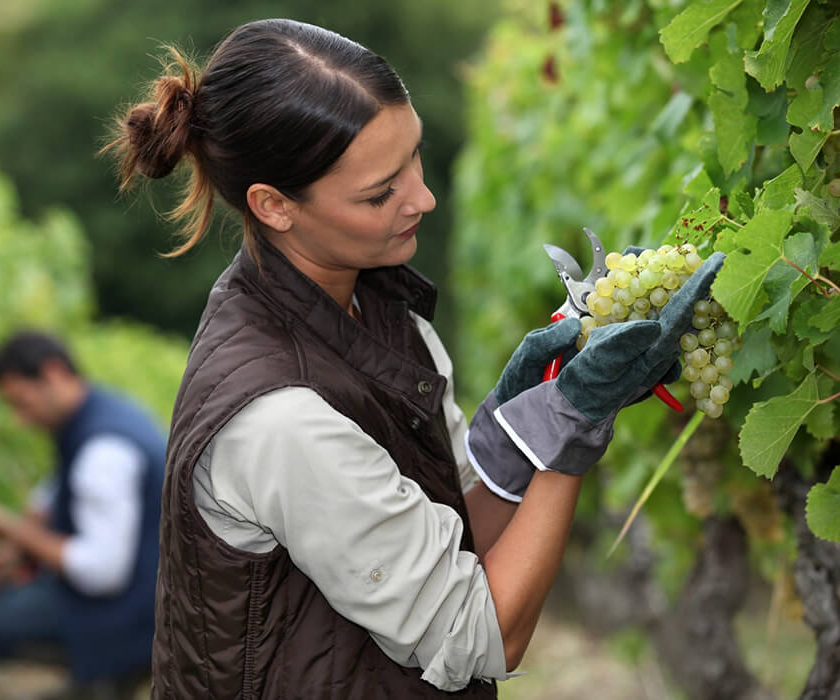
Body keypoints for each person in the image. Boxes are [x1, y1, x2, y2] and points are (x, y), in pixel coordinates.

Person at [103, 18, 723, 699]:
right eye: (380, 192)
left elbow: (452, 542)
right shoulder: (279, 420)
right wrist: (574, 423)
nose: (422, 198)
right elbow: (481, 635)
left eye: (414, 159)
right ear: (274, 206)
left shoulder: (380, 312)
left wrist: (519, 430)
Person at [0, 330, 165, 698]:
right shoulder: (100, 419)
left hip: (129, 616)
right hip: (139, 602)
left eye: (22, 403)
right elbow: (48, 499)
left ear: (54, 373)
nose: (20, 420)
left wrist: (5, 526)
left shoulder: (103, 452)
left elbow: (102, 571)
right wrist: (6, 556)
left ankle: (110, 674)